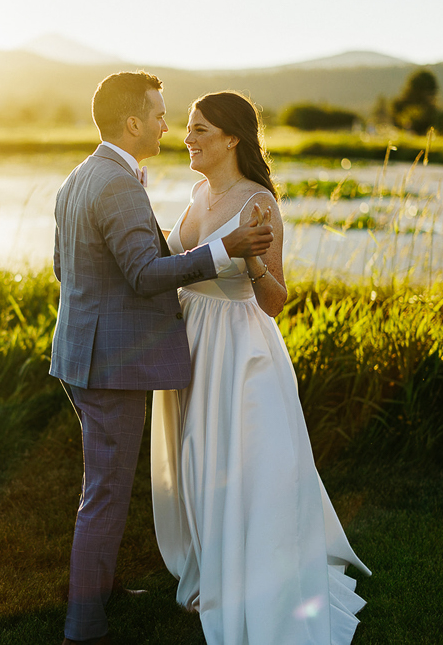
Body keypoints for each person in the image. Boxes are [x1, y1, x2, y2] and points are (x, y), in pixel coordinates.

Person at [50, 72, 275, 645]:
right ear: (133, 123)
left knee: (106, 484)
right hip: (110, 363)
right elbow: (146, 274)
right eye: (158, 114)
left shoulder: (81, 176)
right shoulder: (119, 184)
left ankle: (102, 588)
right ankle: (85, 624)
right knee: (104, 491)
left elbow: (65, 267)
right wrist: (223, 249)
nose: (165, 126)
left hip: (82, 354)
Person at [150, 91, 372, 645]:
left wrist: (249, 261)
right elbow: (172, 259)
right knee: (200, 459)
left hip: (239, 348)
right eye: (187, 127)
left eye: (200, 129)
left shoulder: (259, 204)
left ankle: (257, 580)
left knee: (246, 464)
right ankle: (211, 565)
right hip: (192, 341)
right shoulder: (199, 191)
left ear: (231, 138)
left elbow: (275, 300)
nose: (188, 137)